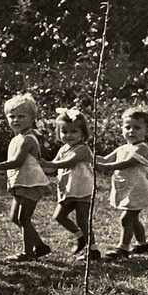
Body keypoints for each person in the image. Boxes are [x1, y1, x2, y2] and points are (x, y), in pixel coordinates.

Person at [0, 93, 51, 262]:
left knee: (24, 218)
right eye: (12, 116)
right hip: (21, 183)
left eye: (21, 116)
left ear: (32, 118)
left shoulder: (27, 140)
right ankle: (39, 245)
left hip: (31, 184)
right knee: (14, 217)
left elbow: (16, 162)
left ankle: (28, 252)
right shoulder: (17, 138)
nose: (16, 120)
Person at [40, 107, 100, 260]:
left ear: (83, 133)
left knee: (82, 219)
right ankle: (80, 237)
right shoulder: (63, 148)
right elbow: (53, 165)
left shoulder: (83, 149)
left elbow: (67, 162)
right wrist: (38, 165)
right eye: (64, 132)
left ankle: (93, 250)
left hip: (82, 188)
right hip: (68, 189)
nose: (69, 135)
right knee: (59, 216)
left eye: (74, 132)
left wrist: (48, 164)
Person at [96, 107, 148, 260]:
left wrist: (107, 168)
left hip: (138, 190)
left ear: (146, 130)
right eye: (127, 127)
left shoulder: (142, 148)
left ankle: (123, 248)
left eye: (137, 127)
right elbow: (106, 159)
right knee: (133, 220)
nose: (131, 131)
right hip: (128, 189)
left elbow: (126, 163)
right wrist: (90, 157)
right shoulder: (122, 147)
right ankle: (142, 244)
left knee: (126, 219)